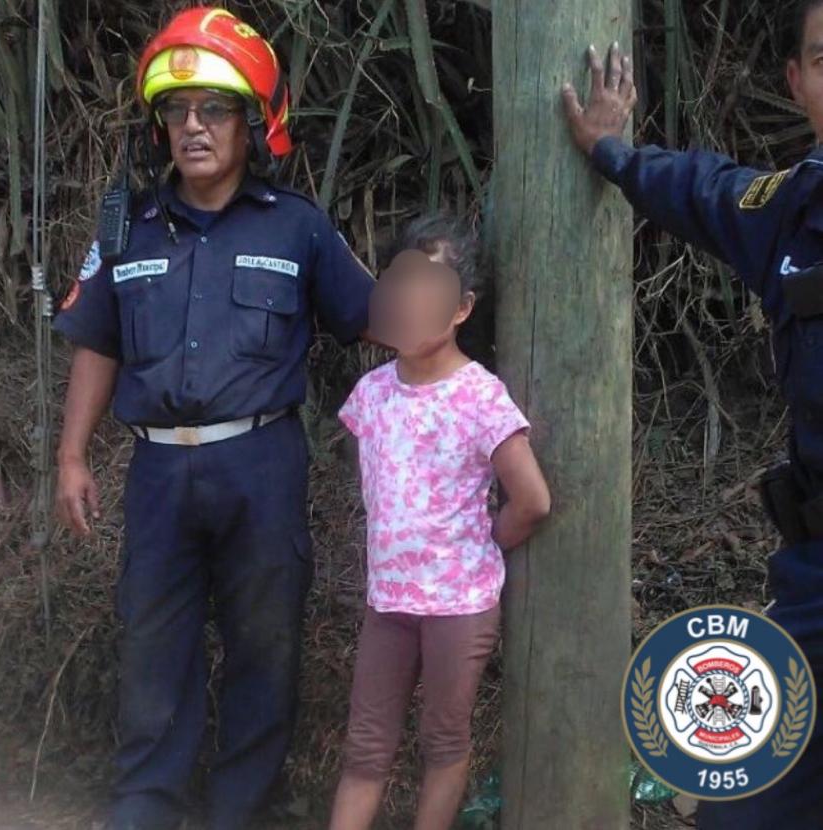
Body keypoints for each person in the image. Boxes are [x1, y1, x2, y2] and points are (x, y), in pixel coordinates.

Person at [51, 8, 375, 830]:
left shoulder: (297, 224)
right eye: (177, 110)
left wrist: (454, 310)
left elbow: (371, 317)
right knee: (155, 639)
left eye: (214, 109)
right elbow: (97, 341)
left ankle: (243, 806)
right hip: (158, 469)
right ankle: (146, 803)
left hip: (261, 464)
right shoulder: (127, 226)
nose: (192, 127)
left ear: (256, 122)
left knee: (266, 642)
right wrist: (72, 456)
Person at [561, 5, 823, 828]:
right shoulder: (792, 211)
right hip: (817, 584)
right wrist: (611, 151)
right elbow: (701, 191)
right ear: (799, 83)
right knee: (742, 810)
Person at [328, 215, 552, 830]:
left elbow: (532, 500)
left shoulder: (478, 396)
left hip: (459, 603)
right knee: (367, 744)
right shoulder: (371, 395)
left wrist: (479, 546)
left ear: (461, 308)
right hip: (389, 601)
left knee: (444, 740)